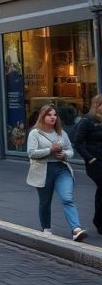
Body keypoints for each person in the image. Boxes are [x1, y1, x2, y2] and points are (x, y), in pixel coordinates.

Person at [26, 104, 87, 241]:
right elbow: (31, 153)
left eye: (55, 115)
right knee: (45, 202)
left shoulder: (61, 133)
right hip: (43, 170)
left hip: (61, 169)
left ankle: (76, 229)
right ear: (43, 116)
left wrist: (65, 154)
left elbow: (71, 151)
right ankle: (46, 229)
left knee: (67, 198)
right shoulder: (35, 133)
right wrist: (50, 150)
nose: (53, 117)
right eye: (49, 115)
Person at [73, 94, 102, 235]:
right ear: (97, 105)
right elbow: (78, 143)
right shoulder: (87, 121)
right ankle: (99, 222)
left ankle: (99, 221)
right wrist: (90, 159)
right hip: (95, 162)